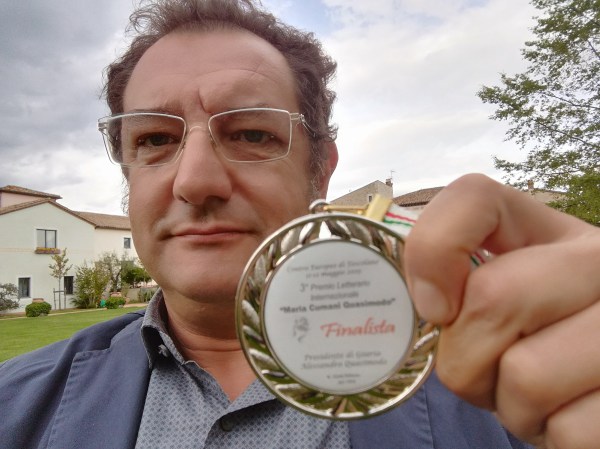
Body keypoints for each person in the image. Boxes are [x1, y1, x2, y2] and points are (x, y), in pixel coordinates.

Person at [1, 0, 598, 448]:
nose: (196, 181)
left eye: (251, 133)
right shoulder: (11, 407)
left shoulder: (518, 399)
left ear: (322, 170)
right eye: (155, 139)